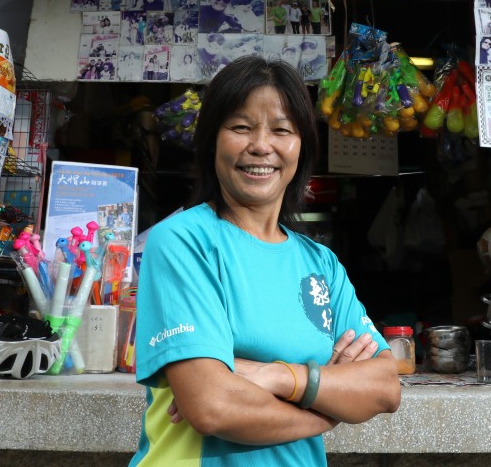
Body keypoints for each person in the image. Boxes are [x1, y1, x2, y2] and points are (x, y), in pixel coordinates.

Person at [131, 57, 400, 466]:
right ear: (212, 141)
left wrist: (275, 376)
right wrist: (328, 404)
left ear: (301, 147)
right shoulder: (183, 241)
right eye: (241, 127)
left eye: (281, 129)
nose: (261, 145)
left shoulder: (320, 264)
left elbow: (384, 387)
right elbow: (213, 407)